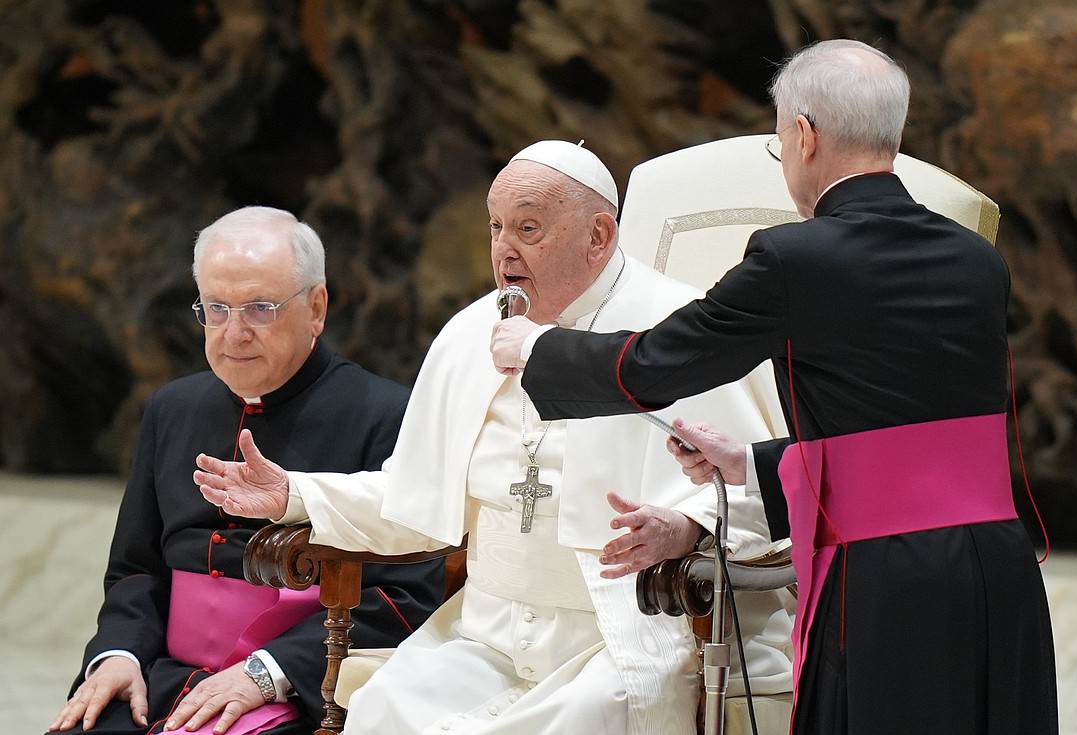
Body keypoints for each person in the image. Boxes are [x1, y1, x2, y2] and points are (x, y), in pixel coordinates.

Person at [489, 40, 1059, 735]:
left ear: (804, 135)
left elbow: (656, 363)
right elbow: (916, 450)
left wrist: (540, 350)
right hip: (1000, 570)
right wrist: (750, 464)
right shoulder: (977, 260)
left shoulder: (795, 257)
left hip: (889, 584)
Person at [193, 141, 797, 735]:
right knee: (384, 711)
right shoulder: (468, 335)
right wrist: (294, 494)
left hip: (618, 634)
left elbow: (758, 492)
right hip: (485, 632)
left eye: (528, 229)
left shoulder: (677, 334)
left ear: (598, 236)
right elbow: (415, 502)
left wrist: (686, 527)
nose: (504, 248)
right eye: (496, 226)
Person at [49, 206, 444, 735]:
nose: (234, 333)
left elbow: (407, 595)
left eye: (259, 308)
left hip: (302, 683)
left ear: (317, 308)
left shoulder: (388, 416)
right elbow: (136, 568)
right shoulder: (172, 407)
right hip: (162, 676)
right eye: (216, 308)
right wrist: (118, 654)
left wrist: (267, 673)